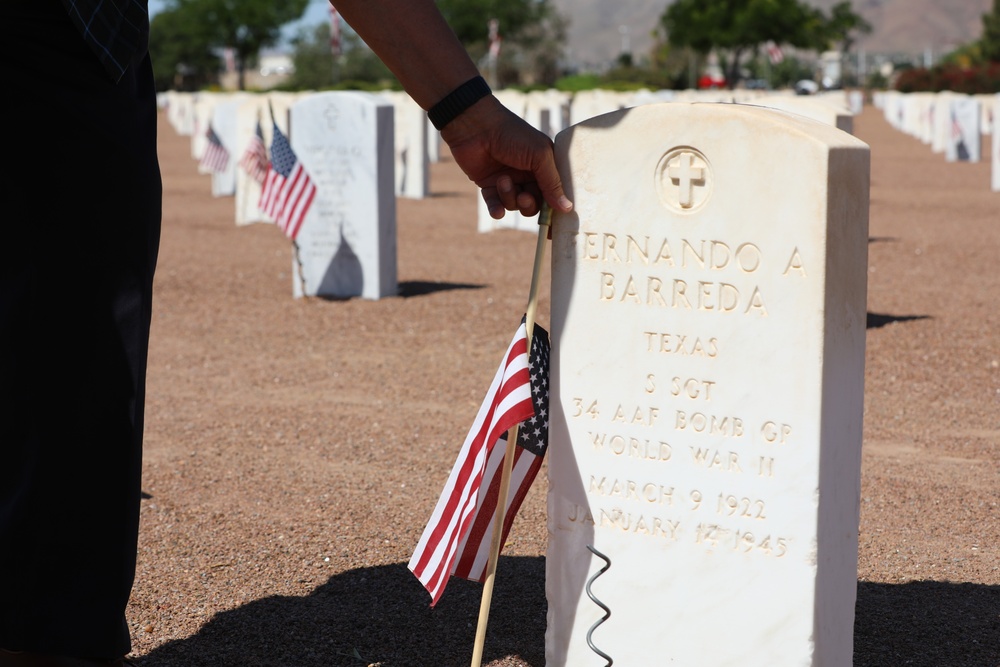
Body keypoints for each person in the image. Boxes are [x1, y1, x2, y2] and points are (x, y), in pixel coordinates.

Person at [0, 1, 572, 666]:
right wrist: (466, 106)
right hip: (50, 53)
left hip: (79, 47)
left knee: (60, 422)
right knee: (58, 411)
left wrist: (465, 109)